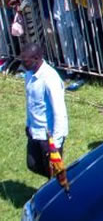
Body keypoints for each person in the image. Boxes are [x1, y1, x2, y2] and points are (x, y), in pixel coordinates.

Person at [22, 43, 68, 177]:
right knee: (33, 164)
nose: (23, 64)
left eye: (25, 61)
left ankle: (61, 193)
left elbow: (59, 112)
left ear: (36, 58)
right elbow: (31, 103)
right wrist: (28, 124)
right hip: (34, 131)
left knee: (54, 173)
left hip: (48, 136)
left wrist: (56, 143)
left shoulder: (50, 78)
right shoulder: (29, 74)